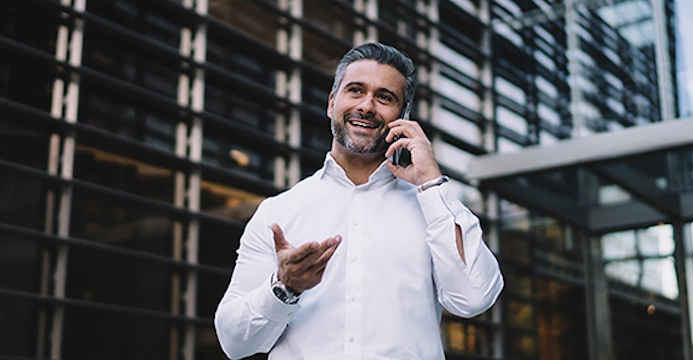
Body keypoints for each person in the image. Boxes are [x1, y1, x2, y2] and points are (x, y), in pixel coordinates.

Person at [213, 42, 504, 359]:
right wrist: (285, 287)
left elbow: (474, 296)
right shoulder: (277, 211)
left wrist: (432, 182)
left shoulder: (432, 207)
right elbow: (233, 342)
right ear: (331, 103)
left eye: (385, 97)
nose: (367, 106)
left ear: (402, 117)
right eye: (355, 90)